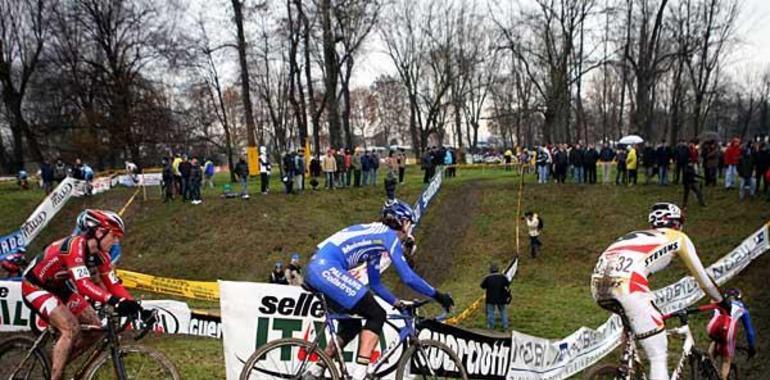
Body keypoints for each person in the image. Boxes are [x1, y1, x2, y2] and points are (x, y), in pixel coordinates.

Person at [303, 200, 454, 379]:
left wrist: (397, 303)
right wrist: (438, 295)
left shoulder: (376, 239)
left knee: (351, 325)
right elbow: (408, 277)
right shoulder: (388, 236)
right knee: (377, 314)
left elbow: (375, 284)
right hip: (326, 269)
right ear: (402, 222)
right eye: (410, 224)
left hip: (318, 269)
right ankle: (361, 373)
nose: (410, 230)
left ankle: (316, 369)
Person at [591, 202, 726, 380]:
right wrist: (722, 301)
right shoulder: (678, 237)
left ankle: (629, 365)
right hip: (628, 286)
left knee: (639, 324)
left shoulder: (635, 236)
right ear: (677, 223)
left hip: (597, 286)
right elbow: (704, 280)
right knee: (658, 356)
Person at [22, 210, 143, 380]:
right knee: (70, 328)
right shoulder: (74, 246)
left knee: (95, 327)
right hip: (35, 286)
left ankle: (57, 365)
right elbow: (83, 285)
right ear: (99, 232)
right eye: (114, 235)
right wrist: (113, 301)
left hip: (59, 288)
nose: (116, 241)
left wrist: (136, 306)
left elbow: (113, 284)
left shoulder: (101, 256)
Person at [699, 288, 756, 380]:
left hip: (713, 327)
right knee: (726, 361)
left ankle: (708, 361)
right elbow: (750, 332)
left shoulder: (718, 302)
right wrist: (752, 347)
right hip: (727, 332)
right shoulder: (742, 308)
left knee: (715, 339)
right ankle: (722, 377)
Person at [480, 263, 510, 331]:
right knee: (503, 312)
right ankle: (505, 326)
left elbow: (482, 286)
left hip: (490, 298)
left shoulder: (487, 277)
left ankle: (491, 327)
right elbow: (508, 284)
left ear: (490, 270)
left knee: (491, 312)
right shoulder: (503, 277)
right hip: (501, 298)